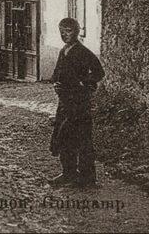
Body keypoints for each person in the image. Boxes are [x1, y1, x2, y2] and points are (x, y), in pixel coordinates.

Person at [49, 17, 104, 188]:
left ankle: (87, 177)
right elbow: (57, 72)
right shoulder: (63, 51)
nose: (64, 34)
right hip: (64, 102)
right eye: (62, 31)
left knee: (82, 139)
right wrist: (56, 82)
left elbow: (98, 72)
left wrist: (85, 84)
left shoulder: (83, 52)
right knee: (63, 137)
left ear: (77, 32)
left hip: (79, 103)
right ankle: (68, 173)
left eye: (69, 31)